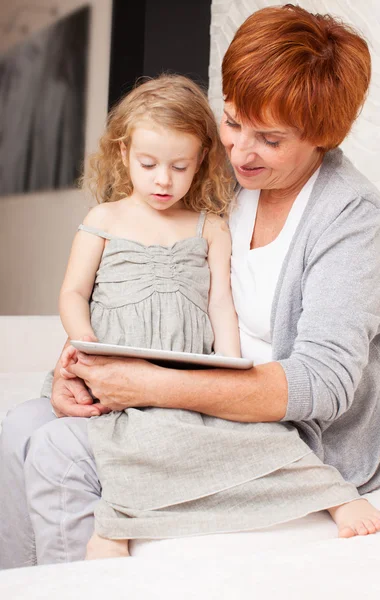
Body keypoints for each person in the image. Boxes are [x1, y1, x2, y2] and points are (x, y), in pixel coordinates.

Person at [1, 4, 380, 569]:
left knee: (60, 453)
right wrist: (81, 367)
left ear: (322, 136)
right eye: (233, 121)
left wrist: (151, 386)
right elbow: (154, 288)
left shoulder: (352, 218)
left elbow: (322, 386)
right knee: (19, 424)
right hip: (197, 391)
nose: (239, 150)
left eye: (270, 139)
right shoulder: (225, 186)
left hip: (292, 430)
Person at [57, 74, 241, 559]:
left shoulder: (210, 227)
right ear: (123, 154)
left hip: (180, 378)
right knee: (120, 436)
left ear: (200, 160)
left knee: (213, 437)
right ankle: (118, 521)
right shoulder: (105, 219)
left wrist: (230, 368)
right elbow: (73, 292)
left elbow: (221, 302)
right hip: (111, 365)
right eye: (149, 164)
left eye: (180, 166)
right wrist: (87, 345)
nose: (164, 180)